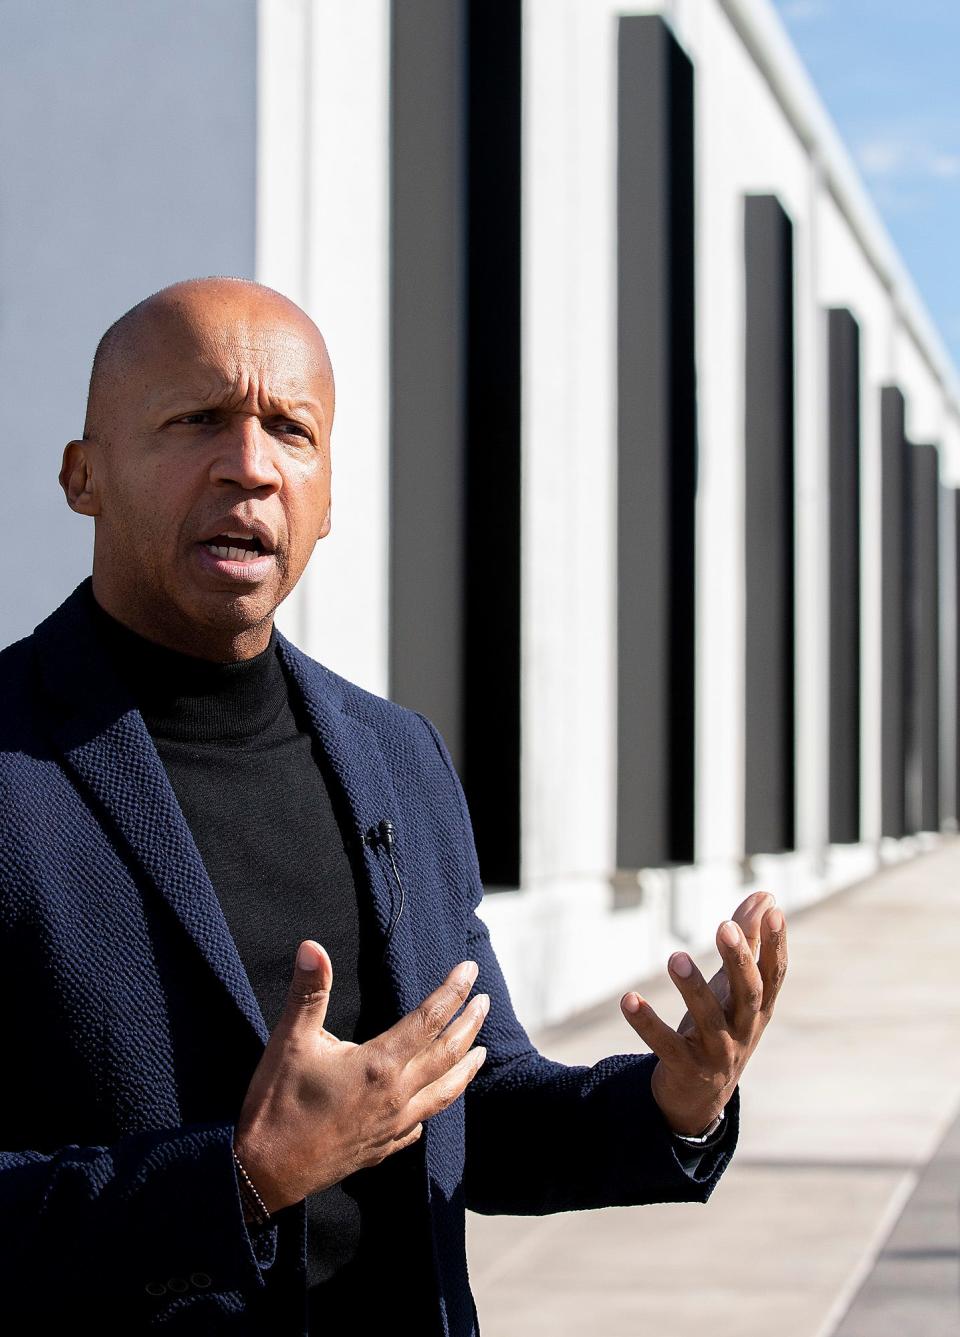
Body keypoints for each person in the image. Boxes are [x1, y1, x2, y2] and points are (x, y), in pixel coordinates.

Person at [0, 277, 787, 1333]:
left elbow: (468, 1105)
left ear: (326, 502)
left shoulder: (395, 754)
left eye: (292, 429)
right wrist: (239, 1177)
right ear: (81, 474)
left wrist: (671, 1104)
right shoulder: (17, 762)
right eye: (196, 421)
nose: (250, 465)